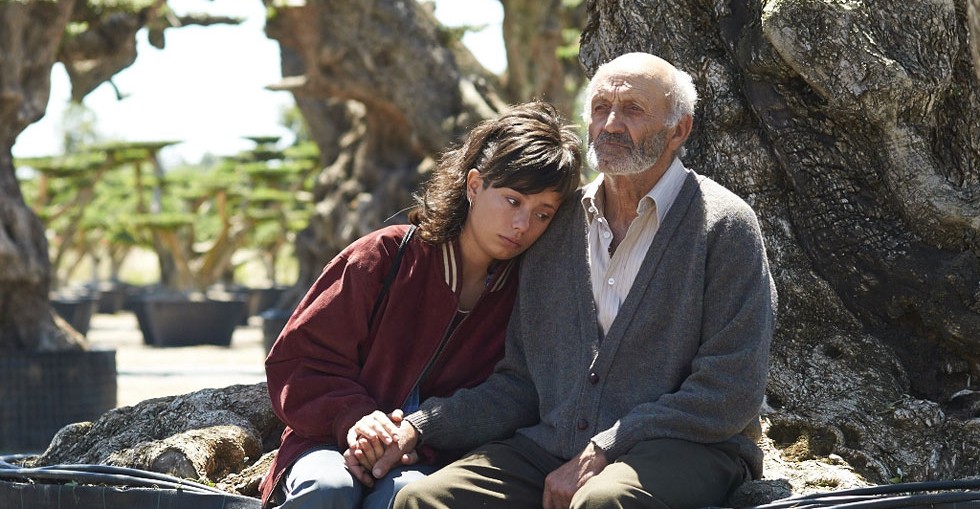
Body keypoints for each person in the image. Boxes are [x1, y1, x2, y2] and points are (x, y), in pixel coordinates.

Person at [359, 52, 777, 509]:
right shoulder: (554, 226)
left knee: (602, 503)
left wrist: (607, 447)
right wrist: (421, 427)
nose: (611, 124)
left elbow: (729, 390)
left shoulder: (724, 225)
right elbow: (522, 384)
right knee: (423, 501)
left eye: (633, 110)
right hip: (551, 449)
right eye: (600, 108)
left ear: (679, 130)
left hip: (688, 449)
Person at [257, 101, 583, 509]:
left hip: (431, 458)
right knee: (327, 489)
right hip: (328, 441)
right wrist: (355, 419)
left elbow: (515, 394)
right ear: (475, 185)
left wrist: (419, 431)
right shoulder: (384, 256)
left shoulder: (528, 293)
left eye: (543, 214)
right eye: (513, 201)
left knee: (404, 496)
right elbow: (298, 361)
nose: (523, 225)